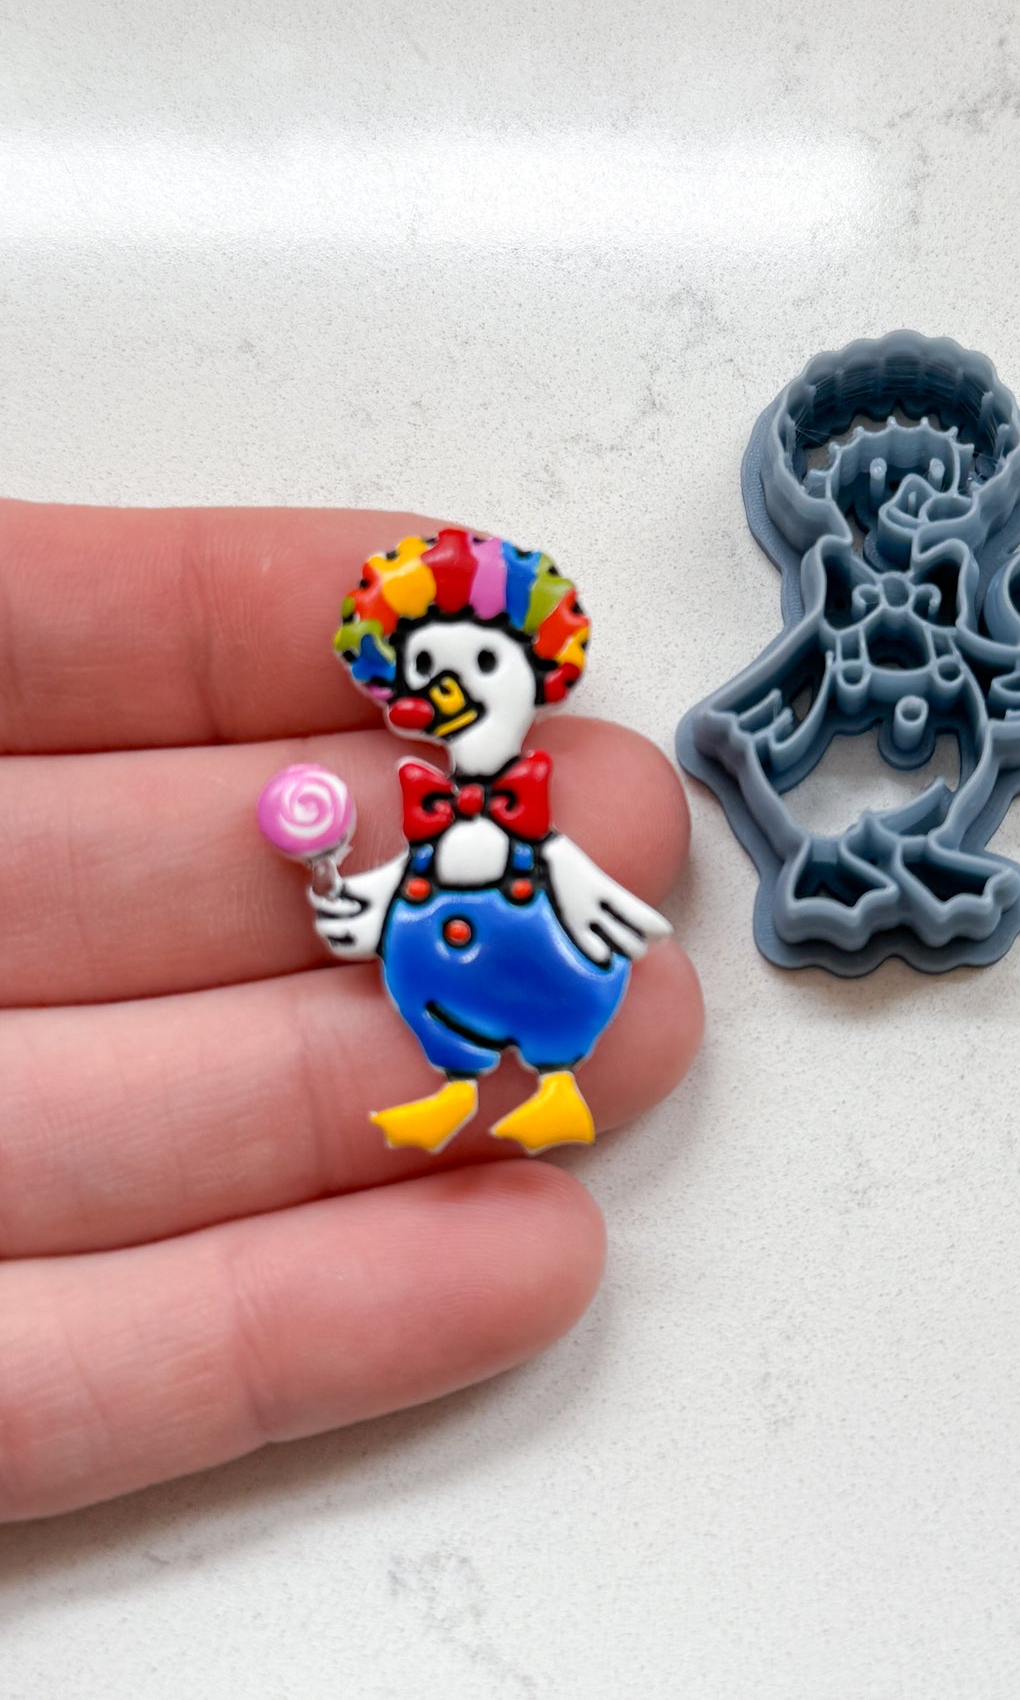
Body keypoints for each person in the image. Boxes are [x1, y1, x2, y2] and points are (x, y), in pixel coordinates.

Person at [0, 500, 702, 1522]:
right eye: (434, 671)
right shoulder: (429, 808)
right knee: (422, 976)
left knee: (557, 985)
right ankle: (455, 1086)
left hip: (524, 937)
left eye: (482, 666)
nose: (458, 690)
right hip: (437, 945)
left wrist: (615, 915)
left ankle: (553, 1080)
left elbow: (569, 873)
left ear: (532, 677)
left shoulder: (522, 809)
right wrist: (356, 908)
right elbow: (405, 878)